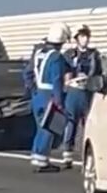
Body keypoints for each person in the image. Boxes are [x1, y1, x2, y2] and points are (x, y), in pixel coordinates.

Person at [23, 23, 71, 173]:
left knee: (40, 127)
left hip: (37, 94)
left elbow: (27, 73)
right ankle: (42, 160)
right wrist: (59, 101)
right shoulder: (56, 57)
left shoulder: (38, 53)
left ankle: (36, 154)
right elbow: (57, 80)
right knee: (49, 127)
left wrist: (32, 88)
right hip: (49, 95)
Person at [61, 25, 102, 169]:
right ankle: (67, 153)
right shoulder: (69, 54)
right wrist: (69, 79)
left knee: (89, 123)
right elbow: (65, 71)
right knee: (71, 122)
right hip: (73, 91)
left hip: (88, 91)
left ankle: (88, 155)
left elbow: (99, 72)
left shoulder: (94, 54)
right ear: (76, 38)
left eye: (86, 36)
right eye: (82, 36)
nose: (85, 39)